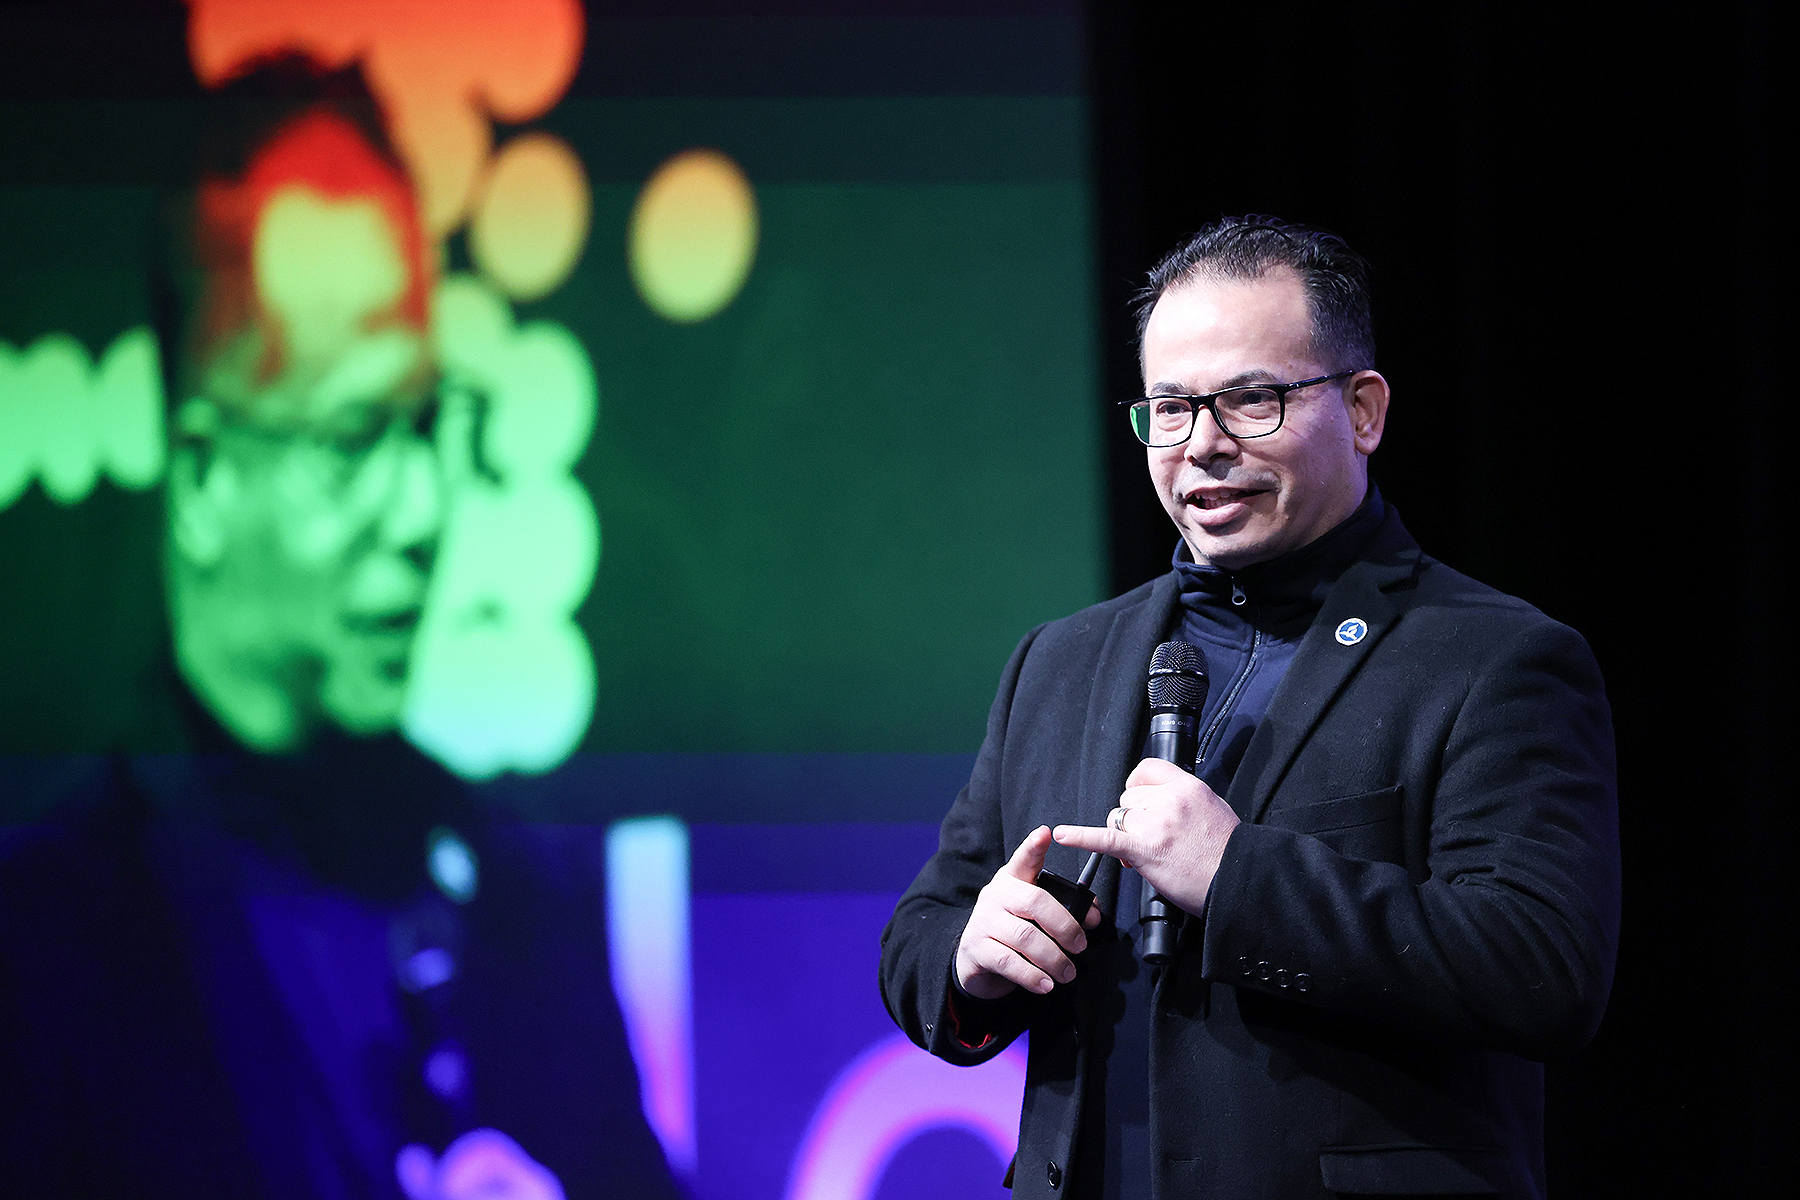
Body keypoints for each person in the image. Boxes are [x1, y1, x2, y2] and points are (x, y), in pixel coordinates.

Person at [0, 60, 678, 1200]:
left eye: (426, 421)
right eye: (357, 437)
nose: (422, 511)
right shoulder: (41, 955)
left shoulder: (523, 905)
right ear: (204, 478)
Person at [879, 215, 1620, 1200]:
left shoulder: (1494, 658)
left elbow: (1543, 968)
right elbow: (923, 932)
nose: (1203, 445)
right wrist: (973, 957)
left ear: (1364, 411)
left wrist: (1237, 877)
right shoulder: (1058, 663)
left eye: (1252, 400)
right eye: (1171, 408)